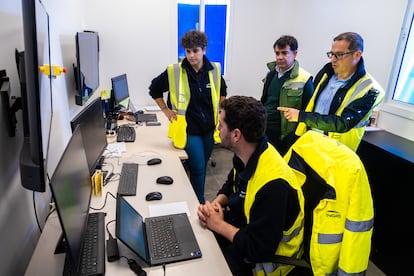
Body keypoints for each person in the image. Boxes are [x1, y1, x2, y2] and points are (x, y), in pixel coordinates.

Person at [197, 96, 305, 276]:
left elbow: (257, 249)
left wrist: (217, 224)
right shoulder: (248, 152)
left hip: (263, 264)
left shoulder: (274, 187)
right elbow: (232, 182)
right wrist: (217, 203)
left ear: (236, 135)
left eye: (221, 125)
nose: (217, 129)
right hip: (243, 229)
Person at [149, 30, 227, 204]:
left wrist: (221, 112)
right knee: (198, 167)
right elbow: (154, 89)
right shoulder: (175, 71)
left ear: (204, 50)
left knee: (202, 167)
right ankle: (197, 203)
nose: (191, 55)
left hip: (209, 128)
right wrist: (166, 111)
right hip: (188, 129)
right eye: (188, 51)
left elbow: (223, 91)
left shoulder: (214, 70)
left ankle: (193, 195)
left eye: (195, 51)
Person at [278, 32, 384, 151]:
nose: (333, 59)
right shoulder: (326, 72)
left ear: (357, 55)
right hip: (310, 142)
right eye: (331, 54)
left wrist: (301, 116)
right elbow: (312, 105)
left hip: (337, 152)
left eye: (339, 55)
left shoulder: (370, 89)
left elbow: (342, 123)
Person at [260, 35, 313, 155]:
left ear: (295, 54)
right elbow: (265, 100)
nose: (280, 57)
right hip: (265, 129)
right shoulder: (271, 74)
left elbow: (308, 111)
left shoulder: (304, 79)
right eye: (277, 53)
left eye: (284, 53)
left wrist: (297, 136)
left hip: (286, 134)